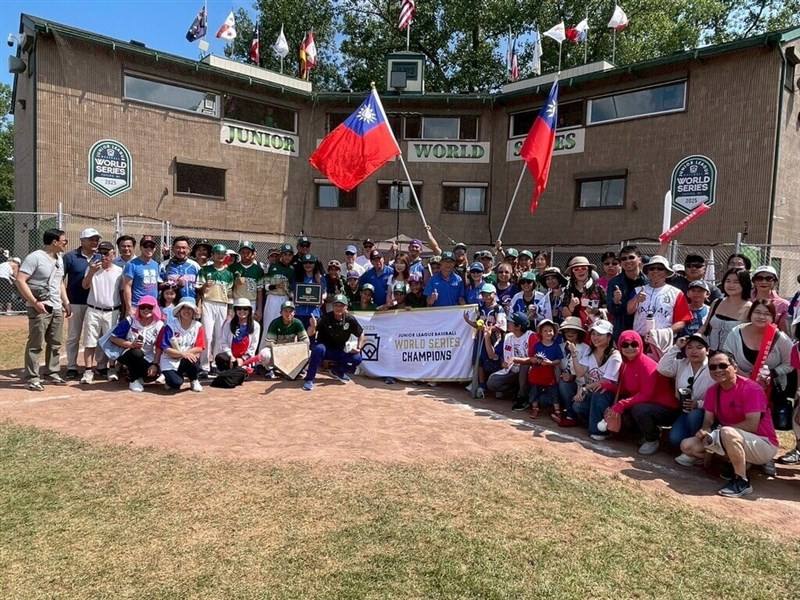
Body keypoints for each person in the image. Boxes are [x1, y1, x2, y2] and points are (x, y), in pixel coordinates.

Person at [679, 351, 779, 498]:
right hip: (729, 436)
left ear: (735, 367)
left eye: (723, 365)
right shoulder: (713, 391)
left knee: (727, 432)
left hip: (763, 443)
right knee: (687, 445)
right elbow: (708, 421)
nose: (718, 370)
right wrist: (704, 431)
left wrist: (719, 433)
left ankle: (742, 481)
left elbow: (752, 425)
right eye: (713, 367)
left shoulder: (751, 389)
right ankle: (735, 462)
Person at [15, 228, 71, 391]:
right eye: (64, 241)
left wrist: (65, 302)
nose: (65, 244)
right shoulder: (35, 257)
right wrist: (34, 302)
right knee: (36, 343)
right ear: (54, 242)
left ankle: (52, 372)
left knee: (55, 342)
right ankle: (32, 377)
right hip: (40, 306)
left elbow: (59, 282)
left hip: (56, 306)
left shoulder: (59, 259)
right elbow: (20, 280)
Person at [607, 330, 678, 454]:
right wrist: (605, 386)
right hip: (646, 403)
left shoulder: (647, 365)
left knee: (639, 409)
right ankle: (638, 434)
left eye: (634, 344)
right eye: (625, 345)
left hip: (666, 408)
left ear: (640, 345)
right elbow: (623, 389)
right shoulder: (625, 364)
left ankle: (652, 439)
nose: (630, 348)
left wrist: (622, 404)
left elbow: (646, 394)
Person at [658, 333, 714, 458]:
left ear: (707, 350)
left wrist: (698, 404)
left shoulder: (713, 368)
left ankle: (697, 447)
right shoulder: (681, 363)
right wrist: (676, 347)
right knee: (675, 439)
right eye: (689, 347)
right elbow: (662, 368)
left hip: (706, 413)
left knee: (695, 415)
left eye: (699, 347)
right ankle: (689, 446)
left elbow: (718, 398)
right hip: (684, 411)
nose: (694, 351)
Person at [79, 241, 123, 384]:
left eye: (107, 253)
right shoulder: (92, 268)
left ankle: (111, 368)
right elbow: (85, 286)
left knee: (112, 341)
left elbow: (123, 291)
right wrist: (91, 271)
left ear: (113, 254)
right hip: (93, 310)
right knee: (90, 341)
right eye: (101, 253)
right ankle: (88, 371)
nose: (104, 256)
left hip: (112, 311)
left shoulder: (119, 271)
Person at [571, 319, 622, 439]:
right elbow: (580, 373)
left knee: (599, 394)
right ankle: (594, 422)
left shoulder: (615, 356)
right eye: (593, 334)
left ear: (609, 337)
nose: (595, 337)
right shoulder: (590, 351)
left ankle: (599, 431)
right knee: (577, 405)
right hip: (591, 392)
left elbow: (606, 381)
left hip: (607, 395)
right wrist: (574, 354)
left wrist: (584, 388)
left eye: (600, 334)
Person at [723, 300, 793, 386]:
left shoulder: (780, 337)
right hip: (739, 384)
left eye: (767, 314)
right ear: (750, 314)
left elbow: (791, 363)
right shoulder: (736, 333)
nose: (761, 317)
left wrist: (771, 373)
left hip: (771, 388)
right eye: (757, 312)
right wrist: (745, 376)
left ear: (773, 318)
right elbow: (726, 357)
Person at [303, 294, 364, 391]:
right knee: (318, 349)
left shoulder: (350, 319)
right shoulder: (325, 318)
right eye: (336, 305)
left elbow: (361, 333)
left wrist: (358, 347)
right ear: (332, 306)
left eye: (341, 306)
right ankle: (309, 379)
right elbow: (310, 333)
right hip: (324, 349)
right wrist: (313, 326)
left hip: (339, 351)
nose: (338, 308)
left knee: (357, 358)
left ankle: (337, 371)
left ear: (346, 307)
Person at [63, 227, 101, 379]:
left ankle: (98, 365)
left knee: (95, 336)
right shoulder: (71, 257)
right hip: (76, 302)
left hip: (96, 303)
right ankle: (71, 366)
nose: (95, 242)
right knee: (74, 335)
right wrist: (65, 301)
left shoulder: (100, 256)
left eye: (96, 239)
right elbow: (60, 278)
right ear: (82, 241)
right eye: (91, 239)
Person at [109, 295, 164, 392]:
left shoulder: (159, 325)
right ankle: (133, 380)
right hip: (127, 353)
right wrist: (131, 345)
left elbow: (160, 346)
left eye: (149, 307)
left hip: (148, 357)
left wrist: (155, 364)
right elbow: (113, 338)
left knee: (150, 375)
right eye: (142, 307)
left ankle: (138, 375)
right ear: (139, 308)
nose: (146, 310)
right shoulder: (130, 320)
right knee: (136, 353)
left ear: (154, 308)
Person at [628, 255, 691, 339]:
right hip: (639, 339)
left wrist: (664, 334)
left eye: (660, 268)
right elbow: (629, 311)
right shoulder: (638, 290)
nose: (655, 271)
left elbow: (682, 321)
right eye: (652, 268)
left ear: (666, 272)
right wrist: (636, 299)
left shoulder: (676, 293)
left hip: (663, 340)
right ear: (647, 272)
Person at [197, 244, 234, 375]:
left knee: (220, 336)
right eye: (217, 253)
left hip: (222, 305)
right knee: (207, 336)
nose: (219, 256)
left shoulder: (229, 274)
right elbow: (199, 289)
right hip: (208, 303)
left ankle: (216, 364)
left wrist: (230, 310)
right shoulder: (205, 270)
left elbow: (230, 294)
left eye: (222, 253)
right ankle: (204, 365)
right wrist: (204, 286)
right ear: (212, 255)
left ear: (225, 256)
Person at [158, 298, 206, 392]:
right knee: (176, 383)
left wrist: (185, 354)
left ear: (193, 312)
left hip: (187, 358)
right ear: (179, 311)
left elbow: (200, 347)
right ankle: (170, 379)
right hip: (170, 359)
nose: (186, 311)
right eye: (184, 308)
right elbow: (166, 348)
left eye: (190, 309)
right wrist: (182, 354)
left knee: (192, 358)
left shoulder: (198, 326)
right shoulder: (170, 326)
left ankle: (194, 380)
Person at [518, 319, 563, 417]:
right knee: (534, 393)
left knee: (554, 393)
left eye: (550, 330)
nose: (548, 333)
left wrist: (550, 363)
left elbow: (559, 360)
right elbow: (531, 357)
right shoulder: (537, 345)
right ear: (541, 333)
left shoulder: (556, 346)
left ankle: (557, 411)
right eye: (545, 331)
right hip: (537, 374)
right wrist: (535, 360)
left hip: (550, 375)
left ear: (554, 332)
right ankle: (535, 409)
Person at [699, 268, 752, 351]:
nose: (731, 285)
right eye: (728, 281)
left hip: (733, 358)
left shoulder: (750, 308)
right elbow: (705, 326)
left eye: (736, 282)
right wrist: (696, 336)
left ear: (744, 284)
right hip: (710, 354)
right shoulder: (717, 302)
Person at [486, 312, 532, 402]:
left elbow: (535, 358)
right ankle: (514, 390)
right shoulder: (508, 337)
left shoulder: (531, 336)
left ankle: (522, 397)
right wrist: (487, 336)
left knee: (524, 366)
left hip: (528, 371)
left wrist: (519, 360)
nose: (508, 323)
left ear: (518, 326)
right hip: (512, 371)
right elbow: (492, 355)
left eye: (510, 322)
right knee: (492, 381)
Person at [259, 300, 310, 379]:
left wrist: (295, 348)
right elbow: (269, 343)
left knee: (309, 353)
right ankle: (271, 370)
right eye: (285, 311)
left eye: (291, 311)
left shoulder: (297, 323)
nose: (288, 314)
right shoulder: (275, 323)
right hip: (277, 352)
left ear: (294, 313)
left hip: (291, 351)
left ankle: (299, 370)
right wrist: (281, 350)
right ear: (281, 313)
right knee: (264, 353)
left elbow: (306, 341)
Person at [608, 245, 648, 338]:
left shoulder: (648, 282)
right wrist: (616, 302)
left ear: (639, 259)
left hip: (644, 331)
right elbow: (612, 311)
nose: (628, 261)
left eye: (631, 257)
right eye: (624, 259)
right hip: (622, 330)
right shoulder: (614, 283)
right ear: (621, 262)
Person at [555, 317, 589, 427]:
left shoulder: (586, 349)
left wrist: (572, 377)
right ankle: (560, 410)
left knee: (565, 386)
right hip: (564, 384)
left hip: (581, 386)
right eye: (567, 330)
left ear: (579, 333)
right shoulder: (560, 347)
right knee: (545, 398)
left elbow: (585, 373)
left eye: (573, 330)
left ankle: (571, 416)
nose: (570, 333)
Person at [215, 298, 261, 371]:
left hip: (246, 358)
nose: (242, 311)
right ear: (235, 310)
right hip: (231, 357)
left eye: (245, 309)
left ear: (249, 311)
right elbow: (223, 342)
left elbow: (253, 346)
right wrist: (231, 356)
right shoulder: (228, 324)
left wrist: (242, 359)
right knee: (220, 357)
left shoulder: (255, 325)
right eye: (239, 309)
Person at [123, 235, 162, 314]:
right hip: (137, 307)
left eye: (152, 246)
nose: (149, 249)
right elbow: (127, 286)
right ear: (141, 247)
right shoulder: (131, 264)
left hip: (153, 306)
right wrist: (129, 307)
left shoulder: (156, 264)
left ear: (155, 248)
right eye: (146, 246)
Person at [563, 256, 607, 326]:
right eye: (576, 269)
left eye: (583, 268)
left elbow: (608, 309)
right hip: (575, 328)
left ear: (589, 270)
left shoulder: (598, 288)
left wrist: (598, 311)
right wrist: (571, 307)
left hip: (594, 329)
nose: (580, 271)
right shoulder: (569, 290)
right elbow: (565, 315)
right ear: (572, 272)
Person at [262, 243, 296, 333]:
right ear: (281, 255)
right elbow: (265, 286)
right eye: (285, 254)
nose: (287, 257)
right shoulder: (272, 266)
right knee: (269, 324)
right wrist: (275, 286)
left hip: (284, 299)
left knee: (282, 325)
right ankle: (266, 346)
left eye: (289, 255)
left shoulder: (292, 270)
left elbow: (292, 290)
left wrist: (288, 290)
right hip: (272, 298)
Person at [228, 241, 264, 321]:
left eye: (248, 252)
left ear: (253, 253)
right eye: (243, 252)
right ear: (240, 253)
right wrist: (230, 307)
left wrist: (259, 309)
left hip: (252, 302)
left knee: (250, 328)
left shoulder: (258, 270)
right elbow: (229, 289)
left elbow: (260, 291)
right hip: (237, 301)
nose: (245, 255)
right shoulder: (233, 268)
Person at [160, 236, 202, 305]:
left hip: (190, 306)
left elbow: (200, 290)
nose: (181, 250)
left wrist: (199, 307)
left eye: (184, 248)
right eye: (178, 247)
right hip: (171, 306)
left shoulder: (195, 266)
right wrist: (171, 283)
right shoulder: (164, 265)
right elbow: (158, 286)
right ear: (173, 249)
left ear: (189, 249)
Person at [750, 265, 790, 333]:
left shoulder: (784, 305)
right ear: (754, 281)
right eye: (759, 278)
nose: (764, 282)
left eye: (769, 278)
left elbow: (784, 332)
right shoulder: (745, 300)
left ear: (775, 282)